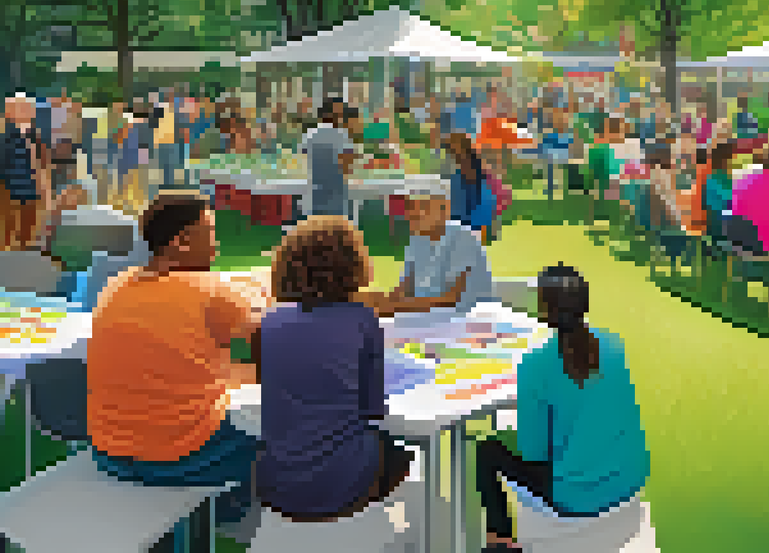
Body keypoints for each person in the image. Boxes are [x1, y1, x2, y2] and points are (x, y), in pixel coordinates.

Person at [88, 194, 268, 546]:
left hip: (108, 452)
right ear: (181, 242)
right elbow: (270, 336)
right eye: (210, 233)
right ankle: (234, 521)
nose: (217, 244)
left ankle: (208, 522)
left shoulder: (116, 286)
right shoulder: (211, 290)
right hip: (179, 457)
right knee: (290, 444)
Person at [475, 265, 650, 553]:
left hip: (579, 495)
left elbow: (533, 452)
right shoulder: (614, 345)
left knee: (487, 451)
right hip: (630, 477)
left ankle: (500, 541)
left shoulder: (536, 364)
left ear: (544, 309)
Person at [252, 215, 415, 522]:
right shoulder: (362, 320)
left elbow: (271, 391)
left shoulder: (269, 322)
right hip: (344, 483)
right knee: (404, 454)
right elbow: (374, 410)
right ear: (354, 265)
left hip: (276, 482)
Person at [363, 189, 493, 316]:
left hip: (466, 321)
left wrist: (393, 306)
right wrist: (379, 300)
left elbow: (450, 300)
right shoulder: (416, 240)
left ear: (444, 210)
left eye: (424, 206)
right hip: (427, 319)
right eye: (410, 206)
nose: (415, 213)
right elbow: (404, 290)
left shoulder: (463, 237)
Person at [300, 99, 359, 220]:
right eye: (340, 113)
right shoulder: (341, 135)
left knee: (316, 232)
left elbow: (304, 159)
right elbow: (347, 167)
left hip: (315, 193)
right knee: (338, 233)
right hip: (335, 193)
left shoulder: (310, 135)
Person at [1, 95, 47, 250]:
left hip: (30, 190)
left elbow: (41, 162)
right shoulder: (5, 133)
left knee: (28, 234)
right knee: (8, 233)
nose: (28, 111)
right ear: (9, 112)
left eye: (28, 108)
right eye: (22, 108)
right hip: (9, 191)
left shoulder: (34, 133)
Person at [445, 132, 497, 241]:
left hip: (472, 224)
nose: (453, 154)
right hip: (460, 224)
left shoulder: (474, 171)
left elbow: (485, 200)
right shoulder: (457, 176)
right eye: (451, 151)